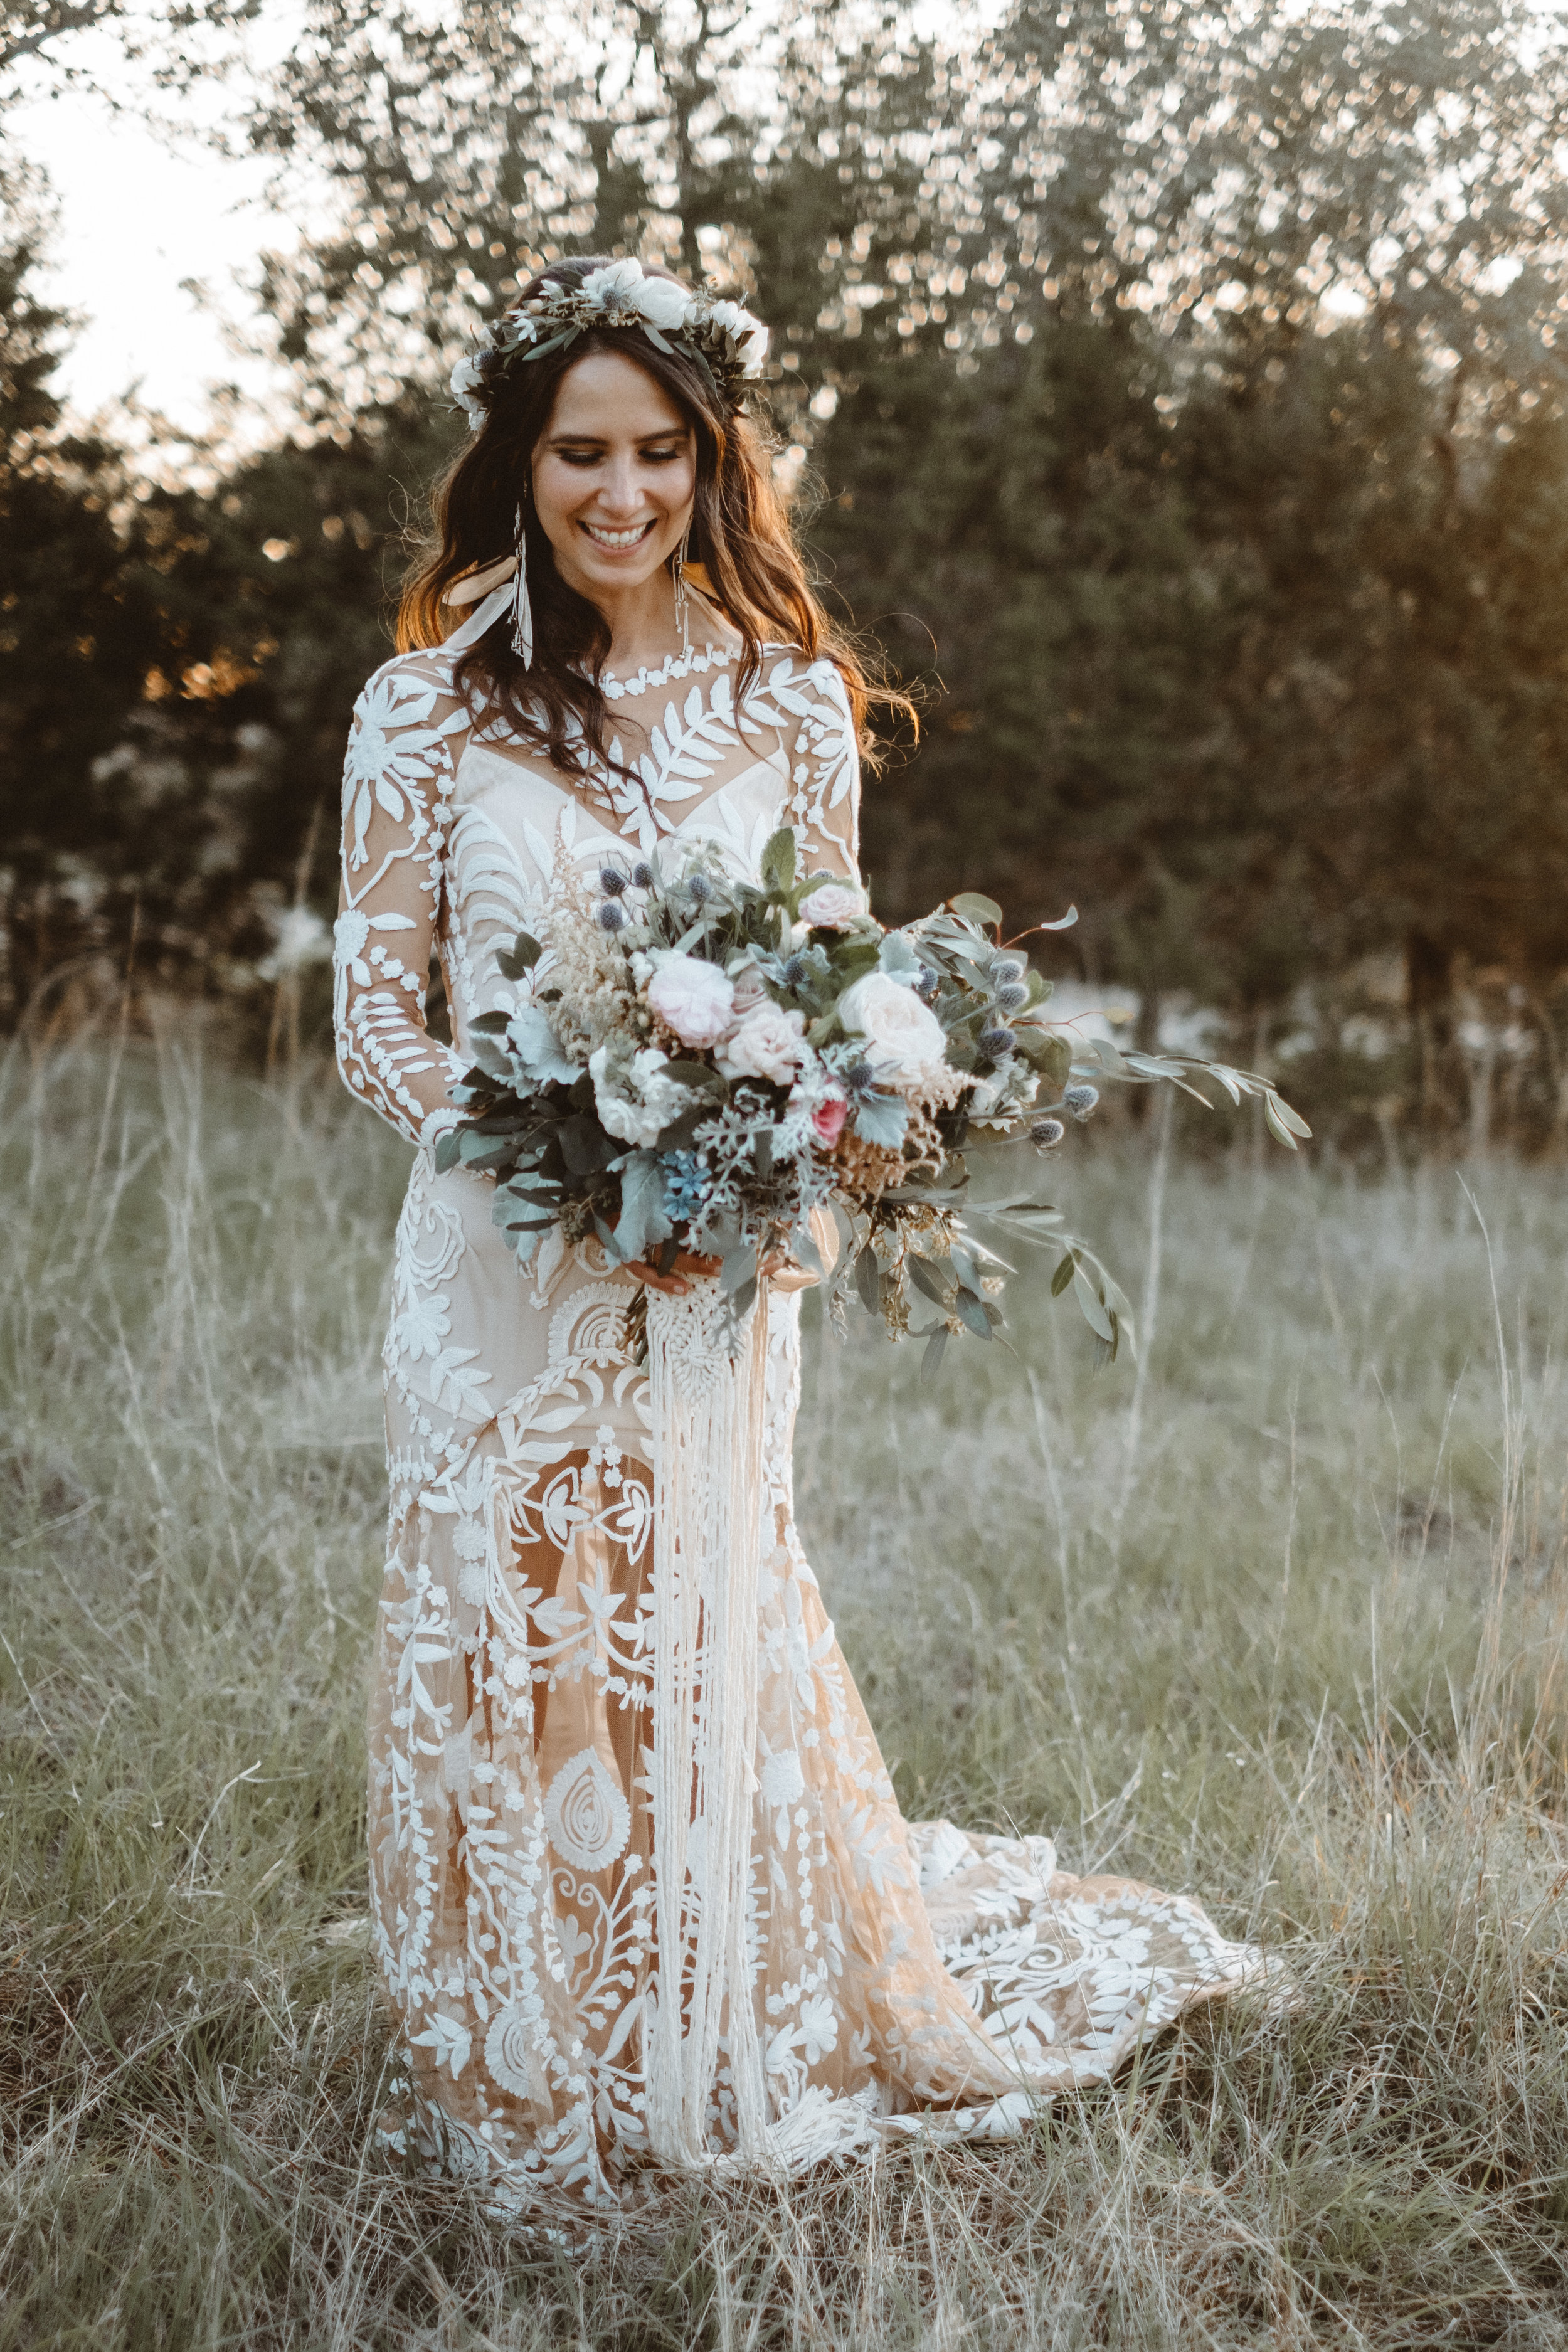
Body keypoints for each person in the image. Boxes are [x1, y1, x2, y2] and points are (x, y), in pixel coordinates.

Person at [333, 255, 1268, 2221]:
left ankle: (707, 2018)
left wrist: (800, 1153)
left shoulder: (785, 702)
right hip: (499, 1262)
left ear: (709, 461)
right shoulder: (423, 707)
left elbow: (839, 971)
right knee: (509, 1632)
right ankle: (530, 2056)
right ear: (516, 461)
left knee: (696, 1618)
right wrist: (530, 1153)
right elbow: (376, 1012)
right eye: (579, 451)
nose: (618, 492)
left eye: (657, 453)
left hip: (719, 1268)